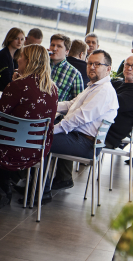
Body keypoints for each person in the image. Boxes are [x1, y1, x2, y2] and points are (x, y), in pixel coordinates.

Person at [0, 45, 58, 207]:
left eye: (22, 57)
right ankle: (4, 185)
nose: (18, 59)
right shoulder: (52, 88)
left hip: (7, 149)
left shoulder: (17, 86)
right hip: (37, 150)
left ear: (29, 61)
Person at [42, 49, 118, 198]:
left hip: (86, 143)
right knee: (40, 135)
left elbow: (80, 117)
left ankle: (40, 191)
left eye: (97, 64)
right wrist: (47, 105)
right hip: (80, 137)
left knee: (40, 139)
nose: (91, 67)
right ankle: (37, 185)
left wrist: (52, 130)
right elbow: (71, 105)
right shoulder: (94, 86)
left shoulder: (103, 91)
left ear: (108, 69)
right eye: (89, 63)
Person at [104, 53, 133, 149]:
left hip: (106, 138)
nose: (129, 68)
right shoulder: (118, 83)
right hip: (94, 130)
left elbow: (109, 103)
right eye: (127, 64)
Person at [49, 33, 84, 102]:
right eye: (52, 45)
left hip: (58, 111)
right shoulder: (40, 64)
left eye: (59, 46)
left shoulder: (75, 74)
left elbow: (78, 102)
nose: (54, 49)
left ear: (67, 51)